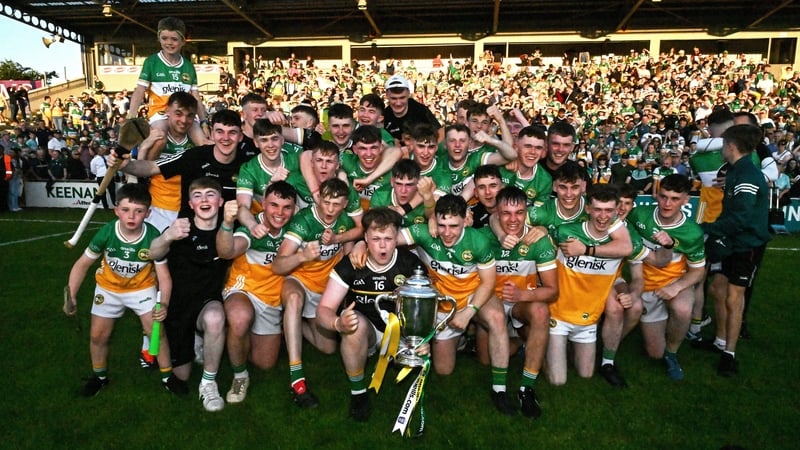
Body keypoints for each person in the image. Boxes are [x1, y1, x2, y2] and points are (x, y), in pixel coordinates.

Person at [397, 194, 516, 416]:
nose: (447, 232)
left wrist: (469, 312)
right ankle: (461, 341)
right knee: (443, 370)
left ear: (465, 221)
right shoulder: (425, 232)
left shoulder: (478, 241)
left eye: (453, 226)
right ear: (435, 220)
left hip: (473, 296)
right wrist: (362, 244)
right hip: (443, 304)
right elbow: (386, 237)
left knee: (497, 318)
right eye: (442, 225)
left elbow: (488, 282)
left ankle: (499, 390)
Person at [65, 184, 184, 397]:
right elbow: (82, 264)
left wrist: (164, 304)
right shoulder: (107, 232)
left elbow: (164, 276)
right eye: (126, 210)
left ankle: (168, 377)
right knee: (98, 336)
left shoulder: (153, 236)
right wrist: (72, 294)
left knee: (157, 332)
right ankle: (99, 377)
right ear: (116, 210)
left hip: (142, 288)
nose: (131, 216)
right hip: (108, 288)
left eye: (139, 211)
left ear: (148, 213)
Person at [316, 208, 424, 421]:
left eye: (388, 239)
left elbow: (423, 310)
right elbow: (323, 310)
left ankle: (401, 353)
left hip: (402, 333)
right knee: (353, 325)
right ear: (365, 238)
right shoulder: (351, 264)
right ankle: (358, 393)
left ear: (397, 237)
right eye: (375, 239)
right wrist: (338, 323)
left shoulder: (411, 264)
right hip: (368, 332)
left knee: (440, 367)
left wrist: (422, 338)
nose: (382, 245)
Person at [147, 177, 231, 411]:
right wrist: (167, 236)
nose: (204, 200)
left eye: (210, 195)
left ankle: (208, 384)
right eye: (197, 196)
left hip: (207, 302)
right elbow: (152, 253)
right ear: (190, 204)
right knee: (181, 375)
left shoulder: (227, 230)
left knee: (215, 318)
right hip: (177, 307)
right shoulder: (180, 228)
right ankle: (195, 340)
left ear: (220, 201)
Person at [272, 178, 358, 408]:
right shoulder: (303, 221)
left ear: (344, 204)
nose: (330, 209)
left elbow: (348, 259)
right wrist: (302, 256)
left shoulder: (346, 221)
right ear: (318, 199)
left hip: (325, 290)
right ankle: (297, 379)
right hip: (299, 281)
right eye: (326, 202)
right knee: (293, 299)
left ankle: (291, 323)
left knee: (328, 348)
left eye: (336, 204)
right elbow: (277, 266)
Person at [216, 181, 298, 405]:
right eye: (273, 205)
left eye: (286, 207)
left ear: (295, 208)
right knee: (240, 317)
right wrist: (226, 223)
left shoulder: (297, 228)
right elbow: (226, 251)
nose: (279, 213)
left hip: (271, 299)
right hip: (245, 289)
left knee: (265, 363)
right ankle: (240, 376)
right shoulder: (253, 226)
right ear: (263, 204)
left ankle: (232, 337)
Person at [482, 186, 558, 417]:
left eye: (519, 213)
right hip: (490, 301)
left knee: (541, 312)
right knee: (485, 359)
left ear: (526, 212)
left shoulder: (538, 240)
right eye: (506, 213)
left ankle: (526, 389)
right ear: (496, 213)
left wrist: (522, 295)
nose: (513, 219)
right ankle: (502, 380)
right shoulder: (483, 237)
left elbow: (552, 291)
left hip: (519, 303)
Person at [703, 124, 771, 376]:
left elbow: (741, 217)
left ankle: (729, 354)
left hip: (746, 244)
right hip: (732, 241)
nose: (721, 149)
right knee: (717, 289)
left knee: (734, 297)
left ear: (731, 146)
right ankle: (720, 341)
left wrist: (709, 229)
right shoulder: (736, 171)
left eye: (723, 145)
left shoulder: (747, 175)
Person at [545, 185, 629, 386]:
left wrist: (586, 250)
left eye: (608, 210)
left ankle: (566, 349)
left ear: (616, 211)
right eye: (597, 209)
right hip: (558, 314)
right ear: (588, 209)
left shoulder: (623, 240)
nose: (603, 216)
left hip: (589, 318)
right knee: (558, 381)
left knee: (585, 374)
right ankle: (537, 345)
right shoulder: (566, 232)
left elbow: (628, 249)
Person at [627, 174, 706, 380]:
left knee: (682, 308)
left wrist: (676, 287)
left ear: (686, 200)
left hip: (673, 281)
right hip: (645, 285)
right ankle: (661, 334)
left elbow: (698, 271)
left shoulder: (692, 232)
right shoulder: (639, 215)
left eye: (674, 198)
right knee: (655, 353)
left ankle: (672, 353)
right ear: (657, 195)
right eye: (663, 196)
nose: (667, 203)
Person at [112, 109, 247, 218]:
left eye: (232, 132)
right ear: (212, 134)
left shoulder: (248, 163)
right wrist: (126, 165)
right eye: (220, 131)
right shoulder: (194, 156)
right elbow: (152, 167)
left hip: (231, 234)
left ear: (241, 136)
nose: (225, 138)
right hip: (189, 233)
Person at [127, 17, 209, 147]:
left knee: (204, 143)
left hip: (184, 115)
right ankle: (141, 157)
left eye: (174, 39)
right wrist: (131, 118)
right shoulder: (151, 62)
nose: (169, 43)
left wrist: (203, 122)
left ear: (183, 41)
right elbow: (140, 90)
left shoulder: (188, 66)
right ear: (159, 38)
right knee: (159, 138)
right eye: (164, 38)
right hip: (160, 114)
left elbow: (196, 96)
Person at [136, 91, 198, 231]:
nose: (184, 120)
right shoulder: (157, 137)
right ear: (167, 111)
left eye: (189, 116)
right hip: (157, 207)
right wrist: (144, 147)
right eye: (178, 114)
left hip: (188, 208)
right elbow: (142, 171)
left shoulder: (197, 141)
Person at [499, 125, 552, 206]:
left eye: (538, 148)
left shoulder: (545, 180)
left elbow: (537, 211)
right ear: (516, 147)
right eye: (528, 146)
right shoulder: (500, 165)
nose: (533, 152)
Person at [383, 74, 442, 142]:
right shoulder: (384, 116)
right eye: (393, 98)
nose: (398, 103)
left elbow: (440, 132)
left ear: (408, 93)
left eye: (402, 98)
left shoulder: (420, 110)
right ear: (387, 95)